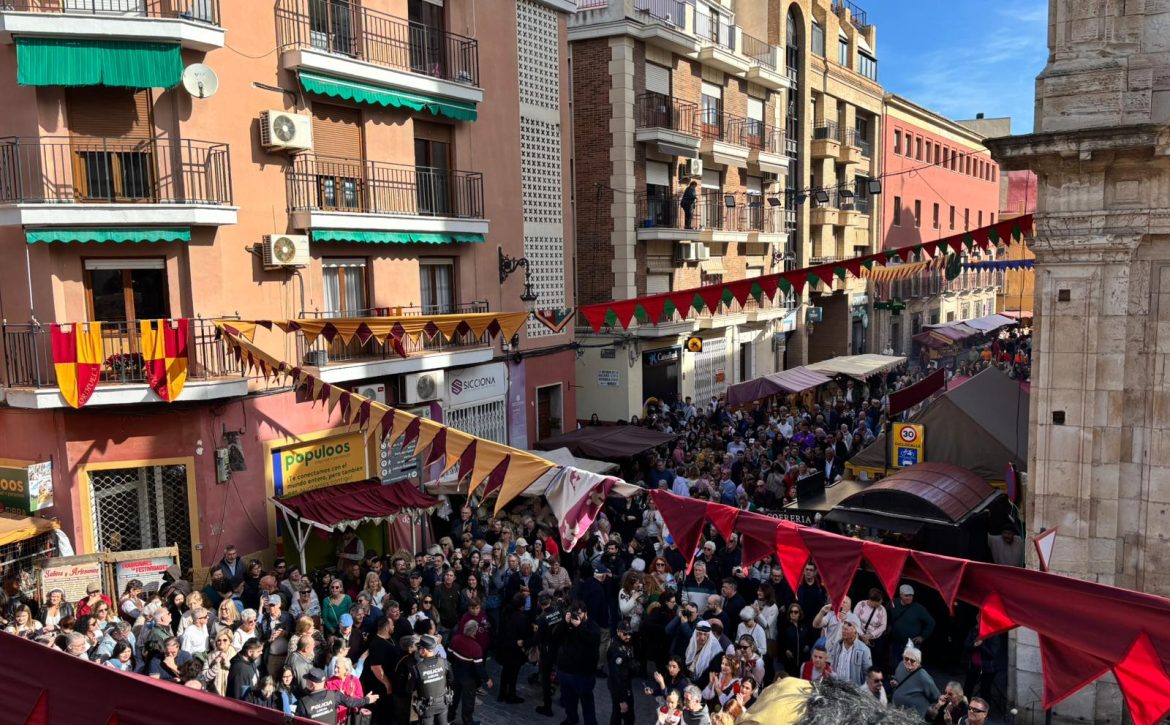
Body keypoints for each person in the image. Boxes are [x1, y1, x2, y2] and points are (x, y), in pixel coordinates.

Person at [557, 602, 601, 725]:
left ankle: (590, 723)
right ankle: (571, 718)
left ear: (585, 613)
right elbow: (556, 636)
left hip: (583, 674)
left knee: (586, 702)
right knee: (568, 700)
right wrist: (564, 623)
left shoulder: (592, 626)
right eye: (573, 613)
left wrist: (579, 626)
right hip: (565, 671)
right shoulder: (567, 624)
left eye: (579, 613)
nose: (576, 616)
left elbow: (592, 640)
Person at [448, 620, 492, 725]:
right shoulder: (476, 648)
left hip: (455, 674)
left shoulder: (455, 639)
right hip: (468, 678)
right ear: (474, 632)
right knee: (468, 701)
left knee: (454, 698)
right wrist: (487, 679)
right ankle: (468, 722)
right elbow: (479, 668)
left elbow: (449, 655)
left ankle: (449, 718)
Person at [296, 667, 378, 722]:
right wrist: (367, 699)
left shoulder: (303, 703)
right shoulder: (335, 695)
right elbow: (351, 703)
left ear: (311, 684)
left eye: (307, 680)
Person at [888, 585, 935, 672]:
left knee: (910, 667)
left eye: (911, 595)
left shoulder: (918, 608)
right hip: (896, 642)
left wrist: (923, 636)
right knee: (895, 665)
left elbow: (931, 622)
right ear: (901, 595)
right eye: (907, 595)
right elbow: (885, 613)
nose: (909, 597)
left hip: (912, 644)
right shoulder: (893, 602)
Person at [534, 591, 565, 717]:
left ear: (539, 604)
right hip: (560, 648)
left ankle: (547, 707)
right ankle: (564, 700)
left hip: (548, 650)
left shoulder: (542, 619)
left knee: (546, 679)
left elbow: (537, 639)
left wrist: (524, 642)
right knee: (562, 674)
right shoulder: (558, 612)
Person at [891, 641, 941, 718]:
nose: (908, 662)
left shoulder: (924, 677)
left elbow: (936, 696)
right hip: (897, 711)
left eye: (912, 660)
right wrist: (895, 682)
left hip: (912, 716)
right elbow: (897, 678)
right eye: (906, 658)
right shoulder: (901, 664)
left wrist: (932, 708)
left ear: (918, 662)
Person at [412, 634, 453, 725]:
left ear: (424, 650)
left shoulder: (417, 668)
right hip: (442, 703)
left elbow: (409, 688)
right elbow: (451, 680)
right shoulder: (444, 662)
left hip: (426, 707)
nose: (418, 650)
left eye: (419, 648)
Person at [827, 614, 872, 686]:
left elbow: (868, 674)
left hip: (854, 691)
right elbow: (833, 667)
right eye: (844, 623)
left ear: (856, 630)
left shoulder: (864, 650)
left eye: (849, 625)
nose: (845, 627)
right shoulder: (837, 645)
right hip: (837, 688)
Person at [607, 622, 637, 725]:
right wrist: (621, 700)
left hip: (625, 683)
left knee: (623, 715)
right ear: (618, 632)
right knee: (621, 714)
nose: (628, 636)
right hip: (619, 687)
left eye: (630, 634)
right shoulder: (616, 649)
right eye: (625, 634)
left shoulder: (626, 643)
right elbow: (616, 677)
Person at [325, 656, 365, 725]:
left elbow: (360, 699)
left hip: (350, 717)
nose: (335, 670)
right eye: (335, 667)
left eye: (338, 668)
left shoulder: (354, 680)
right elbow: (326, 701)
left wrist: (351, 696)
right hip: (334, 718)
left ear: (346, 670)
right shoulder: (329, 682)